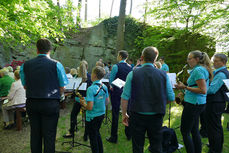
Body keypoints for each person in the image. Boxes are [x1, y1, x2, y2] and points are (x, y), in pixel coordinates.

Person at [121, 46, 175, 153]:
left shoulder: (133, 73)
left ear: (142, 57)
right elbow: (171, 97)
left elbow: (125, 96)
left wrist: (124, 114)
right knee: (156, 145)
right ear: (155, 59)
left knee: (137, 146)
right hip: (156, 115)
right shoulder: (164, 75)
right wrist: (160, 103)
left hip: (137, 114)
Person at [20, 38, 68, 153]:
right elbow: (63, 87)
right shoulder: (57, 65)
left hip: (32, 103)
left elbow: (25, 85)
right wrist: (56, 94)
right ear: (50, 50)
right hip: (50, 104)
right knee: (49, 135)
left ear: (37, 50)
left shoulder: (25, 65)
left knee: (35, 134)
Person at [175, 50, 213, 153]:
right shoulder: (200, 69)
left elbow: (203, 90)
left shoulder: (198, 70)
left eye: (189, 58)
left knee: (185, 131)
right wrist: (183, 89)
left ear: (197, 59)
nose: (187, 61)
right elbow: (196, 87)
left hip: (194, 104)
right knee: (194, 130)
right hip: (197, 103)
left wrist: (185, 87)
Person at [80, 66, 109, 153]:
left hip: (92, 117)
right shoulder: (104, 86)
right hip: (101, 114)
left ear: (95, 75)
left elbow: (89, 107)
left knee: (92, 138)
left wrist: (83, 103)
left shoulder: (90, 89)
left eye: (92, 73)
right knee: (97, 133)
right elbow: (107, 102)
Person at [106, 50, 132, 143]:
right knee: (127, 112)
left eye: (118, 55)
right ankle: (129, 134)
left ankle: (114, 137)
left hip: (117, 92)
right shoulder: (130, 67)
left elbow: (111, 80)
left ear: (120, 56)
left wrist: (112, 86)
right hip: (127, 92)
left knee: (115, 114)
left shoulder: (116, 66)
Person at [206, 53, 229, 153]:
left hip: (215, 102)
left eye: (216, 61)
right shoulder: (218, 72)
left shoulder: (221, 74)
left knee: (215, 127)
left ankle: (215, 149)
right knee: (213, 126)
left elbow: (211, 90)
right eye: (213, 60)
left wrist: (200, 89)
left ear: (223, 62)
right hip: (216, 102)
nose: (213, 63)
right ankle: (214, 144)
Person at [63, 60, 91, 141]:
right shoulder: (89, 76)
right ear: (87, 67)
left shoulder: (77, 77)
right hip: (87, 100)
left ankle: (71, 131)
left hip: (79, 99)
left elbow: (74, 90)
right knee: (87, 118)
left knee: (73, 115)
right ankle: (86, 135)